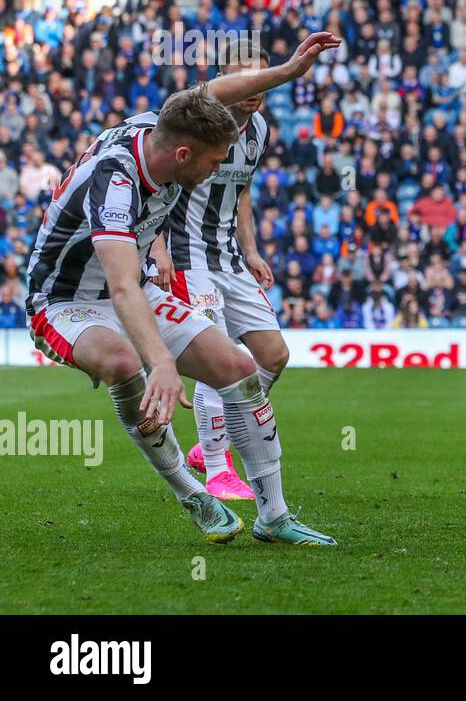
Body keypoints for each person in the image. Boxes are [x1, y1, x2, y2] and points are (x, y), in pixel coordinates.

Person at [26, 32, 342, 546]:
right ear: (182, 153)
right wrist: (165, 363)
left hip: (132, 284)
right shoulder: (116, 180)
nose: (220, 170)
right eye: (214, 162)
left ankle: (275, 517)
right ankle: (193, 493)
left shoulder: (168, 127)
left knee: (241, 370)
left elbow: (217, 91)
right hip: (68, 301)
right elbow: (124, 287)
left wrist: (288, 71)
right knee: (128, 363)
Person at [107, 43, 287, 504]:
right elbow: (159, 182)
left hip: (227, 255)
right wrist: (159, 247)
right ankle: (218, 466)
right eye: (244, 73)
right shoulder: (195, 124)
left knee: (273, 354)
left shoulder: (258, 129)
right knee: (217, 360)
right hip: (187, 255)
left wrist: (250, 249)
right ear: (224, 77)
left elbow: (241, 188)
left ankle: (216, 438)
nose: (255, 85)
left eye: (262, 74)